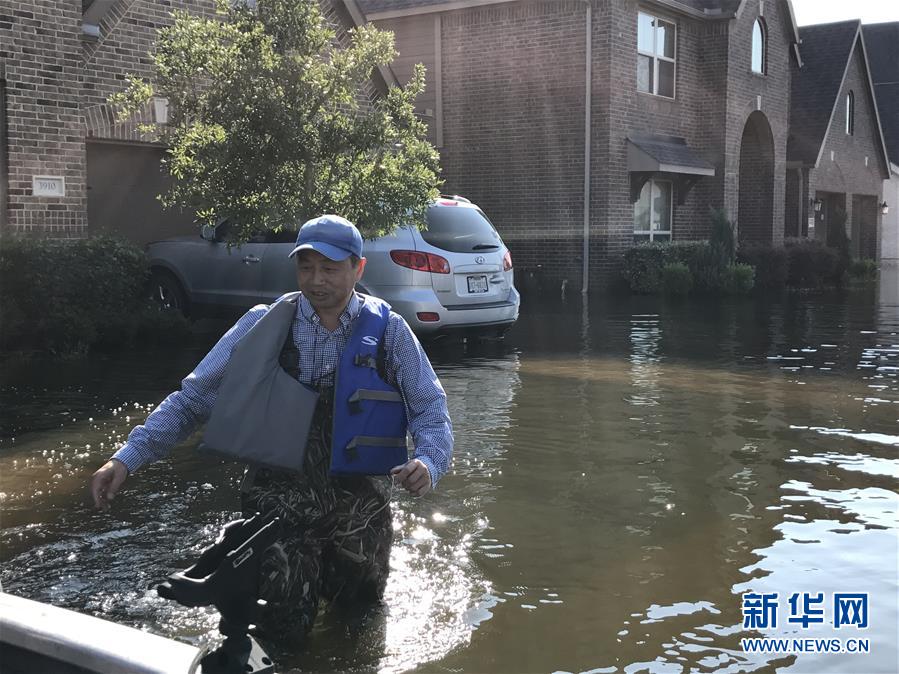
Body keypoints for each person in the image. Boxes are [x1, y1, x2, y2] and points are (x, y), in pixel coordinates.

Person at [89, 214, 453, 643]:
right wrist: (127, 458)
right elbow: (192, 401)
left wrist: (428, 462)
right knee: (279, 626)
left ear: (358, 268)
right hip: (280, 504)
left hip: (360, 512)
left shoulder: (390, 331)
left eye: (330, 268)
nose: (316, 280)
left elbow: (430, 410)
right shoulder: (264, 325)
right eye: (306, 267)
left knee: (358, 625)